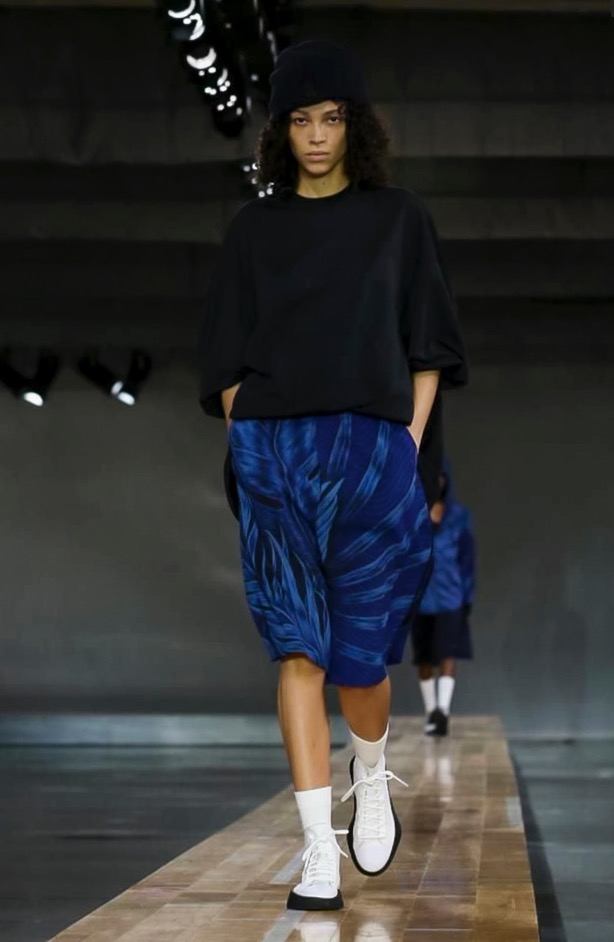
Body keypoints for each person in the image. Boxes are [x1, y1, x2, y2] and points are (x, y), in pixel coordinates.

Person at [199, 40, 467, 912]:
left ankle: (372, 770)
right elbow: (225, 355)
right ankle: (319, 851)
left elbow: (430, 347)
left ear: (357, 126)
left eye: (333, 118)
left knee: (360, 662)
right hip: (275, 453)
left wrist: (404, 444)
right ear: (281, 131)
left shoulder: (398, 219)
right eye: (302, 121)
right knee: (298, 649)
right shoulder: (254, 231)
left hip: (371, 453)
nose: (317, 136)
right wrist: (250, 439)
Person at [412, 466, 476, 737]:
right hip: (421, 597)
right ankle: (431, 712)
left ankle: (443, 711)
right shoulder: (414, 513)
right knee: (424, 657)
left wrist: (467, 595)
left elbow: (467, 558)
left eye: (440, 476)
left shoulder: (459, 516)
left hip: (451, 596)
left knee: (448, 652)